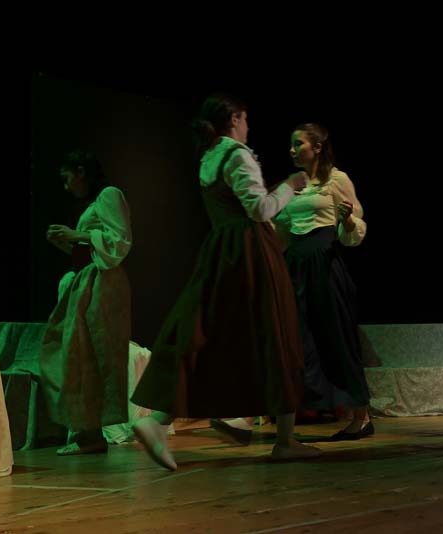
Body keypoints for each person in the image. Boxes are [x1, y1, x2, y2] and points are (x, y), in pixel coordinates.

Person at [130, 93, 318, 469]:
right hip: (251, 251)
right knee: (276, 333)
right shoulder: (235, 154)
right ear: (234, 119)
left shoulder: (209, 157)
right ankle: (281, 439)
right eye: (245, 119)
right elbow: (260, 209)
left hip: (222, 251)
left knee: (216, 333)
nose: (248, 127)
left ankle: (226, 419)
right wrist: (290, 185)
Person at [273, 123, 373, 440]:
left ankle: (362, 416)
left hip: (325, 263)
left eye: (298, 143)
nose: (292, 150)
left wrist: (347, 220)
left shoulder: (336, 180)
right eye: (291, 144)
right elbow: (281, 231)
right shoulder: (292, 185)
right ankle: (291, 421)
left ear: (317, 148)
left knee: (337, 337)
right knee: (298, 340)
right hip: (296, 265)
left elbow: (353, 230)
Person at [41, 149, 132, 455]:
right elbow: (92, 249)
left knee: (96, 354)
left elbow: (120, 242)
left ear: (81, 171)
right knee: (80, 355)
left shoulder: (109, 194)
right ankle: (88, 433)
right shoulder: (95, 203)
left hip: (103, 285)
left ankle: (92, 434)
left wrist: (77, 235)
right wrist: (67, 242)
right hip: (89, 281)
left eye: (67, 178)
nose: (66, 187)